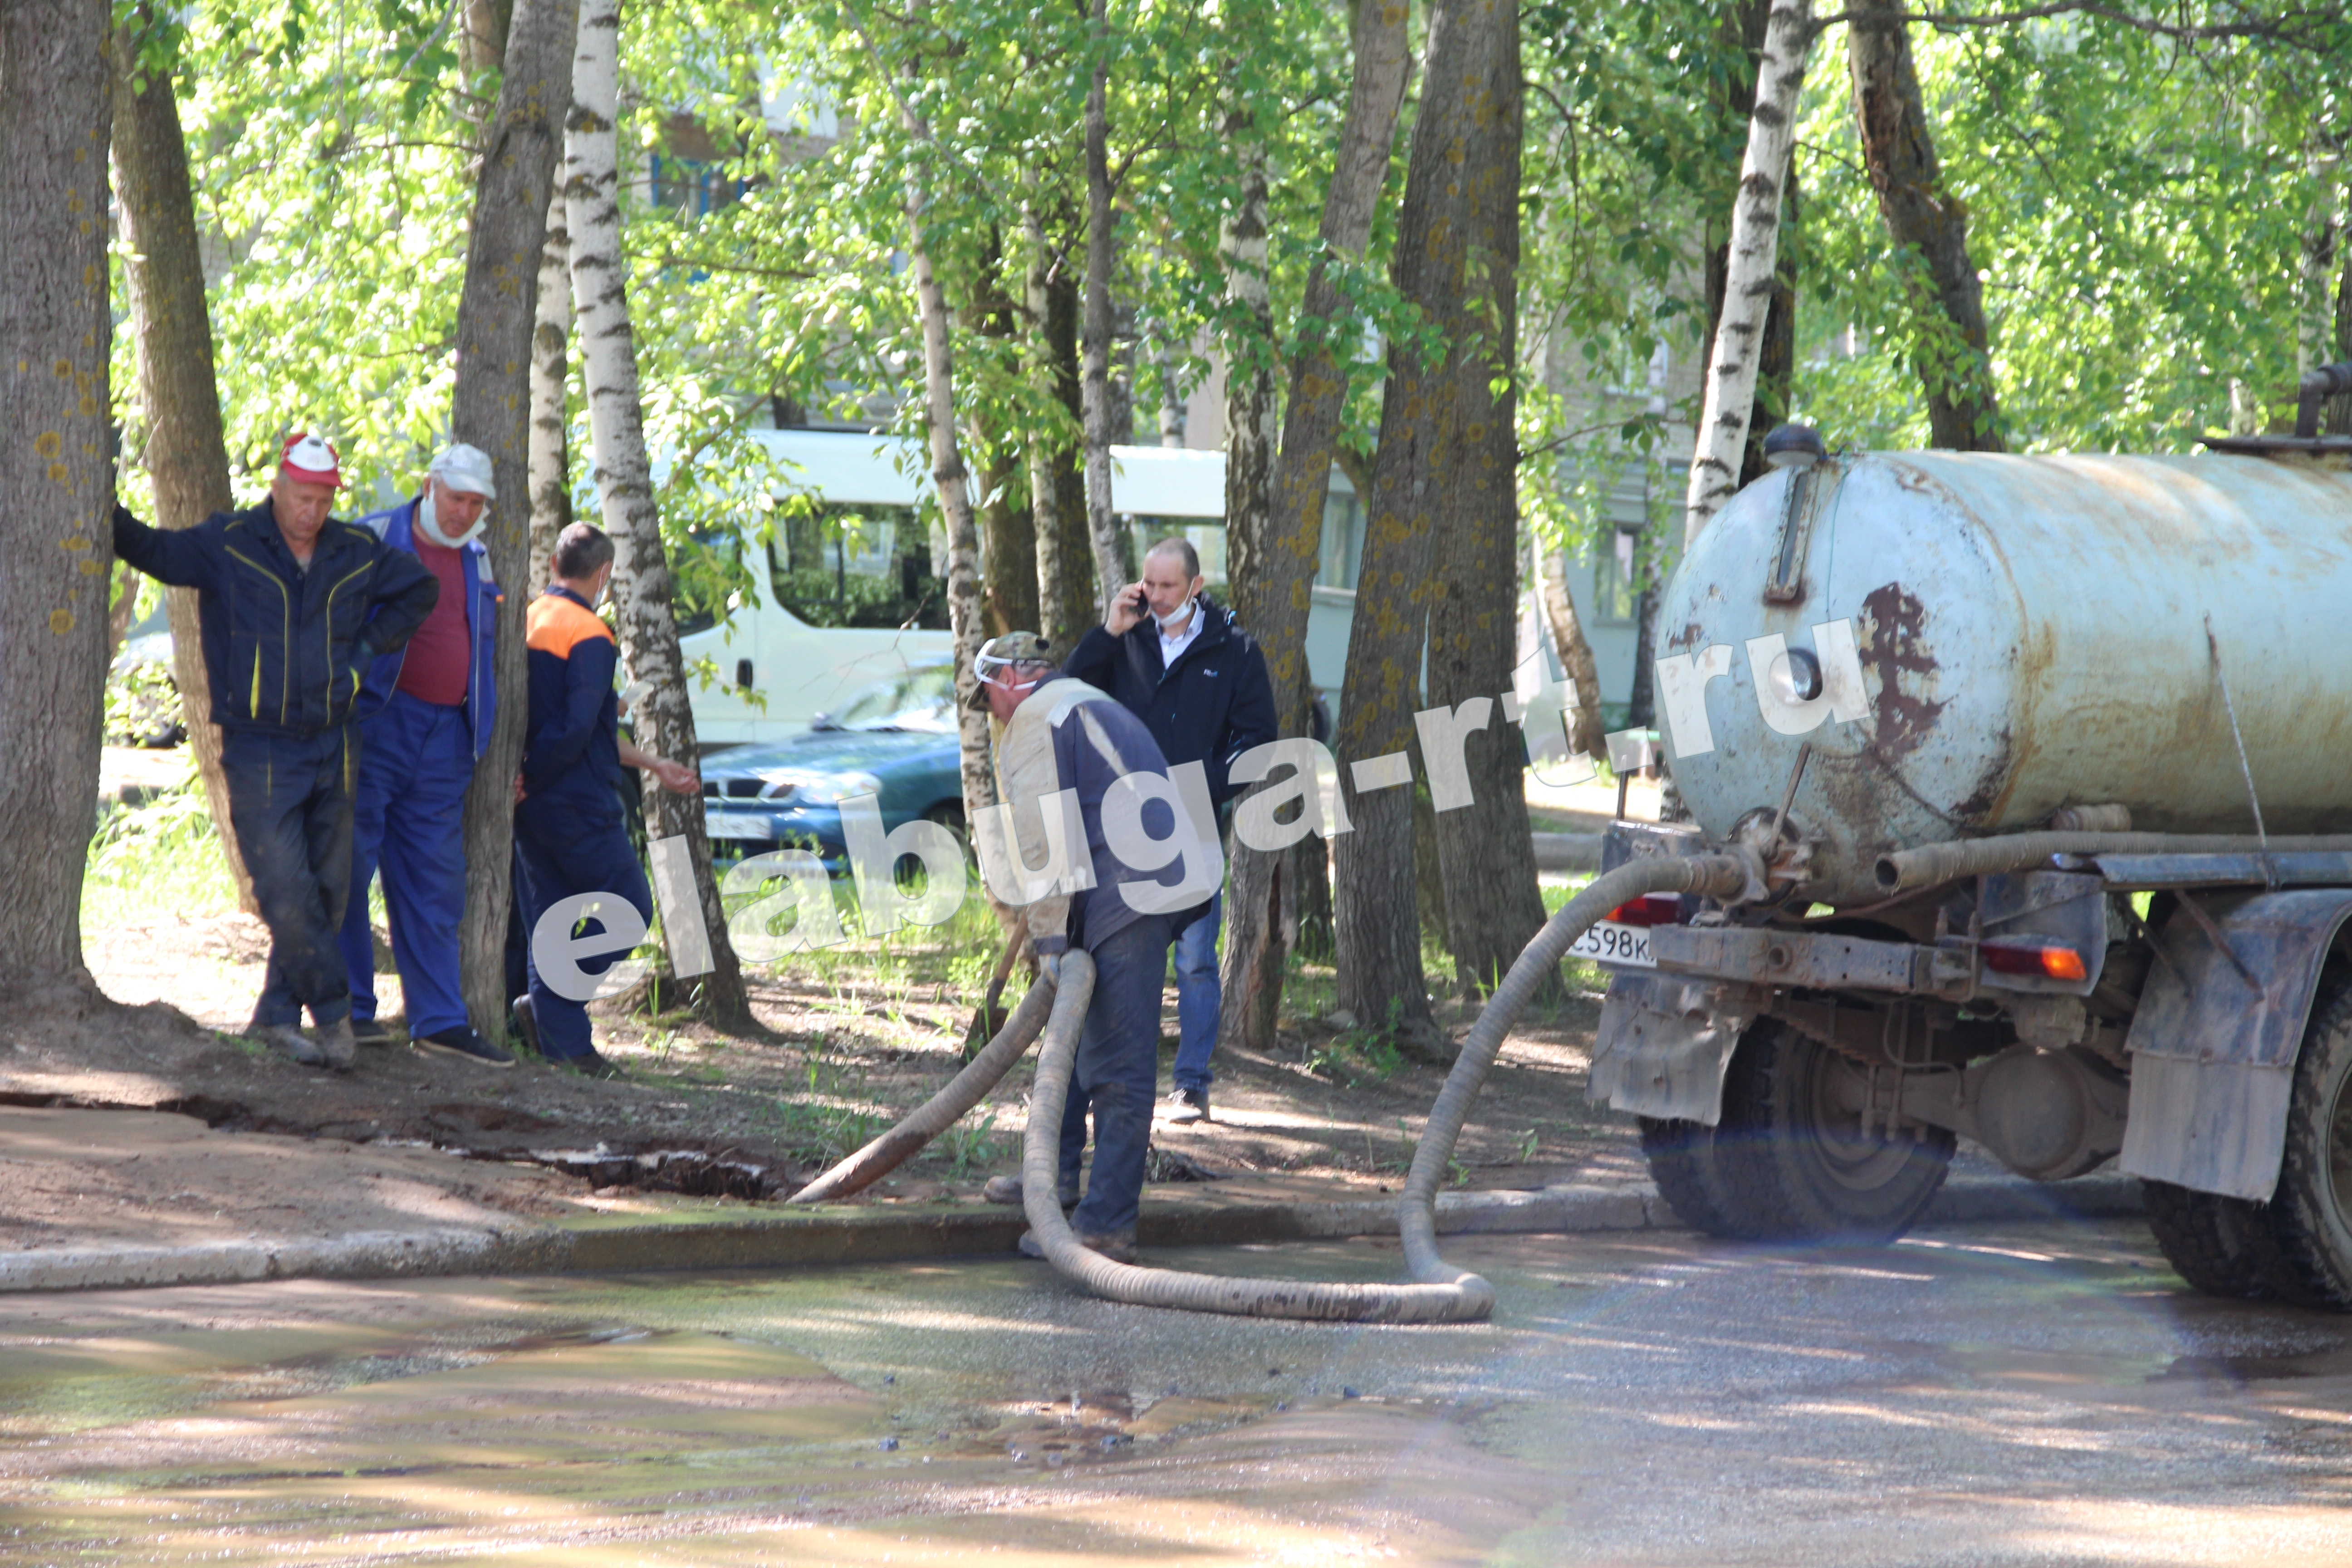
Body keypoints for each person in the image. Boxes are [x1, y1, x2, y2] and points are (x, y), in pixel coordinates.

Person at [112, 434, 439, 1070]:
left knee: (329, 890)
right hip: (258, 744)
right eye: (301, 497)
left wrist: (366, 656)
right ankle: (337, 1017)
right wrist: (105, 500)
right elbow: (152, 550)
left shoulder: (356, 552)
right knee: (283, 885)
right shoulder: (230, 542)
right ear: (279, 487)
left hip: (336, 739)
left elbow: (419, 591)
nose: (310, 511)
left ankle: (276, 1018)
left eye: (322, 500)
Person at [979, 632, 1208, 1264]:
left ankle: (1105, 1225)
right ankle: (1052, 1184)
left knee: (1115, 1062)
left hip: (1127, 890)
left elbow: (1044, 840)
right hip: (1134, 874)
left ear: (1009, 680)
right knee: (1069, 1040)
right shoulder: (1080, 702)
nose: (989, 712)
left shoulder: (1033, 720)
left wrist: (1051, 940)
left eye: (988, 697)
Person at [1063, 538, 1274, 1123]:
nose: (1154, 597)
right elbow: (1067, 695)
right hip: (1120, 833)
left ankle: (1191, 1084)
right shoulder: (1125, 638)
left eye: (1167, 587)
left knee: (1195, 961)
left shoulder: (1234, 650)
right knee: (1120, 962)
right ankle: (1112, 1088)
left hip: (1195, 825)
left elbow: (1259, 742)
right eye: (1147, 585)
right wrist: (1108, 631)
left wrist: (1202, 782)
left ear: (1196, 587)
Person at [336, 445, 510, 1067]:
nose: (465, 512)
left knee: (435, 885)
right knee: (347, 869)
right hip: (376, 727)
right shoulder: (373, 537)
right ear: (430, 486)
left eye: (476, 502)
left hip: (448, 739)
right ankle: (350, 1013)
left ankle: (438, 1021)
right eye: (457, 497)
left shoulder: (479, 557)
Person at [510, 522, 700, 1078]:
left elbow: (583, 724)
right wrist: (535, 773)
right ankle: (555, 1010)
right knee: (630, 907)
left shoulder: (526, 619)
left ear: (552, 567)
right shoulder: (591, 633)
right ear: (602, 574)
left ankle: (560, 1038)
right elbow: (573, 730)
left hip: (531, 805)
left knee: (549, 915)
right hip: (576, 803)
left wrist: (653, 764)